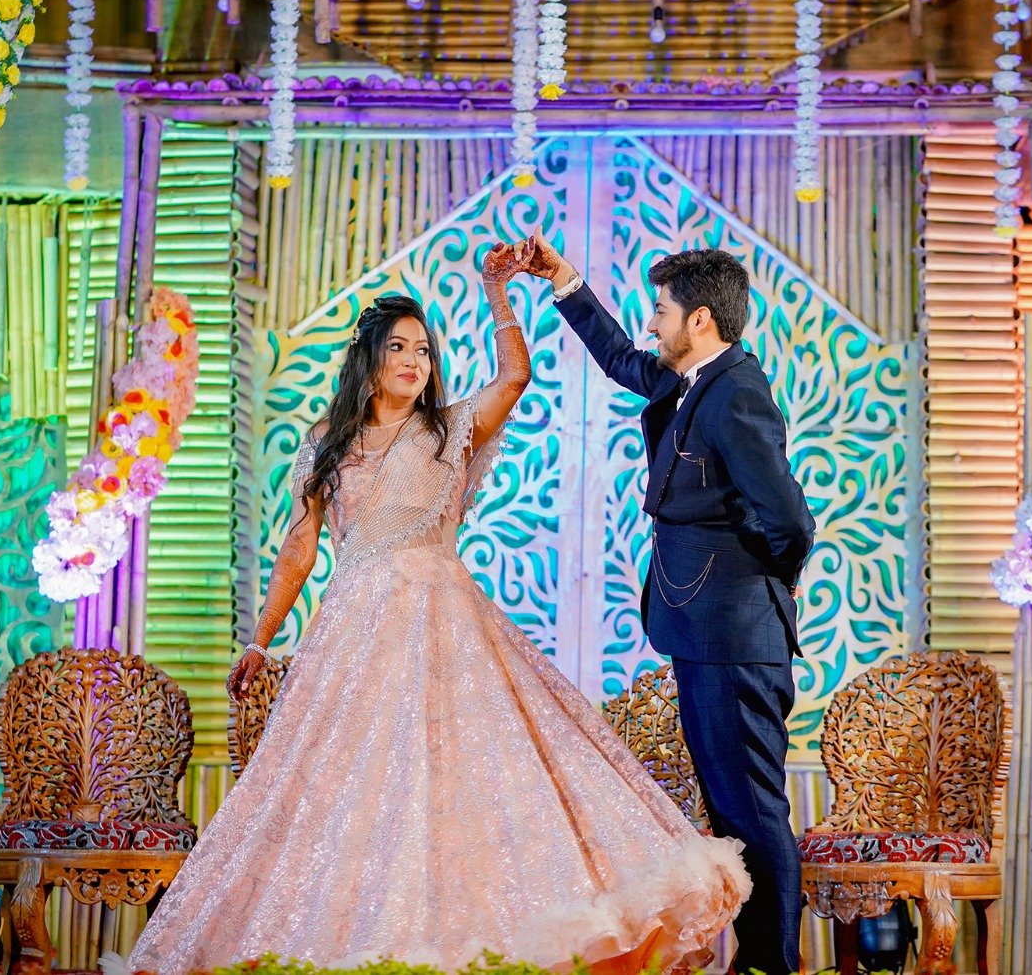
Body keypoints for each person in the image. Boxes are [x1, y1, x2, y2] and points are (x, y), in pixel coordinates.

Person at [107, 242, 747, 975]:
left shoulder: (447, 429)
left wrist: (496, 292)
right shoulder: (325, 443)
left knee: (451, 787)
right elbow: (299, 549)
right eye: (399, 347)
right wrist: (260, 640)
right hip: (355, 637)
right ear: (369, 359)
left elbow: (515, 377)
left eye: (423, 350)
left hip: (446, 632)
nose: (414, 360)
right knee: (349, 799)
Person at [522, 236, 816, 975]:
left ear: (701, 320)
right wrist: (565, 281)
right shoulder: (692, 381)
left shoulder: (736, 393)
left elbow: (789, 521)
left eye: (661, 310)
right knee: (731, 812)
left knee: (754, 810)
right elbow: (622, 360)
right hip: (701, 629)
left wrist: (762, 585)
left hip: (735, 633)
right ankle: (754, 961)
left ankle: (773, 966)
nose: (652, 323)